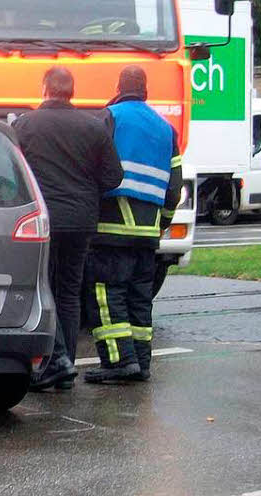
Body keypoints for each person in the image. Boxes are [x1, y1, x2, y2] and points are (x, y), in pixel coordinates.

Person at [13, 66, 124, 391]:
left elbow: (14, 171)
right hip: (82, 220)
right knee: (70, 291)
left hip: (44, 220)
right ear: (71, 91)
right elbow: (113, 176)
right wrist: (88, 191)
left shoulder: (25, 125)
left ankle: (55, 362)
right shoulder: (93, 127)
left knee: (43, 286)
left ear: (45, 88)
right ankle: (67, 365)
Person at [84, 65, 182, 383]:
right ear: (146, 90)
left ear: (119, 86)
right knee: (140, 299)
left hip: (112, 226)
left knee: (107, 293)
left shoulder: (110, 117)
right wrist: (163, 222)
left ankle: (118, 362)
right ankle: (141, 361)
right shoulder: (166, 128)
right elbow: (174, 186)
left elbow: (92, 167)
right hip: (148, 232)